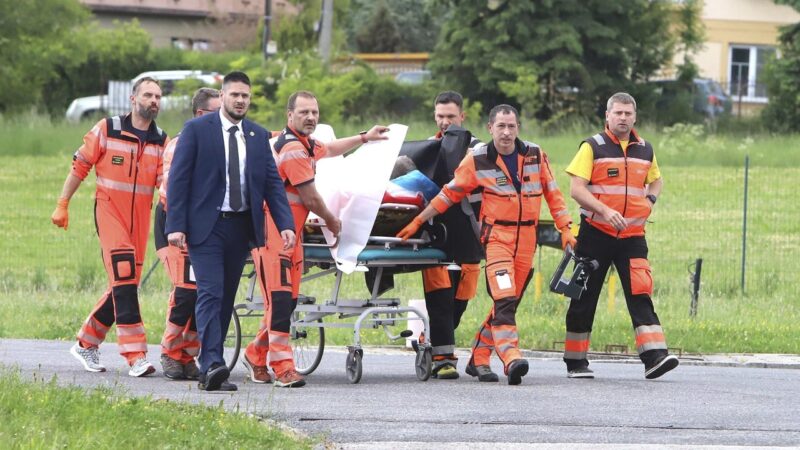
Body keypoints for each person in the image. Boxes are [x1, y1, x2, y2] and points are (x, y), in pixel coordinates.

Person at [398, 104, 576, 385]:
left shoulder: (535, 155)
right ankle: (511, 356)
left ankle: (479, 357)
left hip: (527, 240)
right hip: (497, 240)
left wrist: (565, 228)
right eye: (501, 127)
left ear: (518, 128)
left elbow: (553, 194)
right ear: (490, 128)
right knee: (504, 298)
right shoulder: (477, 159)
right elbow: (449, 194)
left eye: (512, 126)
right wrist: (418, 220)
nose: (506, 133)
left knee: (508, 303)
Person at [241, 90, 389, 388]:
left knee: (288, 301)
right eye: (304, 112)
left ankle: (256, 353)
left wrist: (364, 138)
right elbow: (310, 197)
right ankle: (282, 367)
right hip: (272, 233)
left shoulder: (306, 144)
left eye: (314, 113)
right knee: (281, 301)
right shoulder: (293, 148)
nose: (310, 117)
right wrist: (334, 222)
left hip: (289, 234)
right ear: (290, 115)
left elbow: (330, 149)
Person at [165, 71, 295, 392]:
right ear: (222, 97)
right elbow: (179, 180)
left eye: (245, 96)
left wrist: (286, 224)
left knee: (225, 299)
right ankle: (211, 364)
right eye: (234, 94)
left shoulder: (256, 135)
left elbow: (272, 185)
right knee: (209, 292)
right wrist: (176, 226)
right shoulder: (197, 130)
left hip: (240, 228)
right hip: (205, 228)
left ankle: (212, 364)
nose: (240, 100)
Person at [52, 77, 168, 377]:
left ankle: (86, 343)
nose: (153, 100)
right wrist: (62, 203)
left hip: (139, 221)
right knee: (125, 278)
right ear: (133, 99)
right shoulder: (108, 128)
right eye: (148, 95)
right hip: (109, 213)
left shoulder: (161, 141)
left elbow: (166, 186)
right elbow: (80, 165)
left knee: (123, 285)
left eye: (158, 96)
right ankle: (136, 355)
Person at [561, 92, 679, 380]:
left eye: (628, 113)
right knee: (583, 296)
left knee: (640, 292)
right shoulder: (592, 146)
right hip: (595, 233)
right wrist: (604, 210)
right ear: (607, 116)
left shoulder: (645, 149)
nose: (623, 118)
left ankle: (654, 357)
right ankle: (575, 361)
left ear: (635, 117)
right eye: (618, 113)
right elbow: (577, 189)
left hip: (633, 235)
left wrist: (650, 201)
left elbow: (657, 180)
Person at [154, 88, 221, 380]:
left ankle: (187, 354)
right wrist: (181, 228)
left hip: (204, 228)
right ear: (200, 115)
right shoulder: (179, 145)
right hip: (175, 224)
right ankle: (170, 353)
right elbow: (172, 192)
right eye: (219, 112)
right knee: (184, 293)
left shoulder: (222, 144)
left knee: (200, 293)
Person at [419, 91, 485, 380]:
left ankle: (430, 340)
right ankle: (443, 359)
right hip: (435, 231)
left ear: (462, 117)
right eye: (440, 117)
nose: (445, 122)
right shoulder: (427, 148)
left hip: (469, 231)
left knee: (462, 295)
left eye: (450, 117)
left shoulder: (479, 149)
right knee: (439, 294)